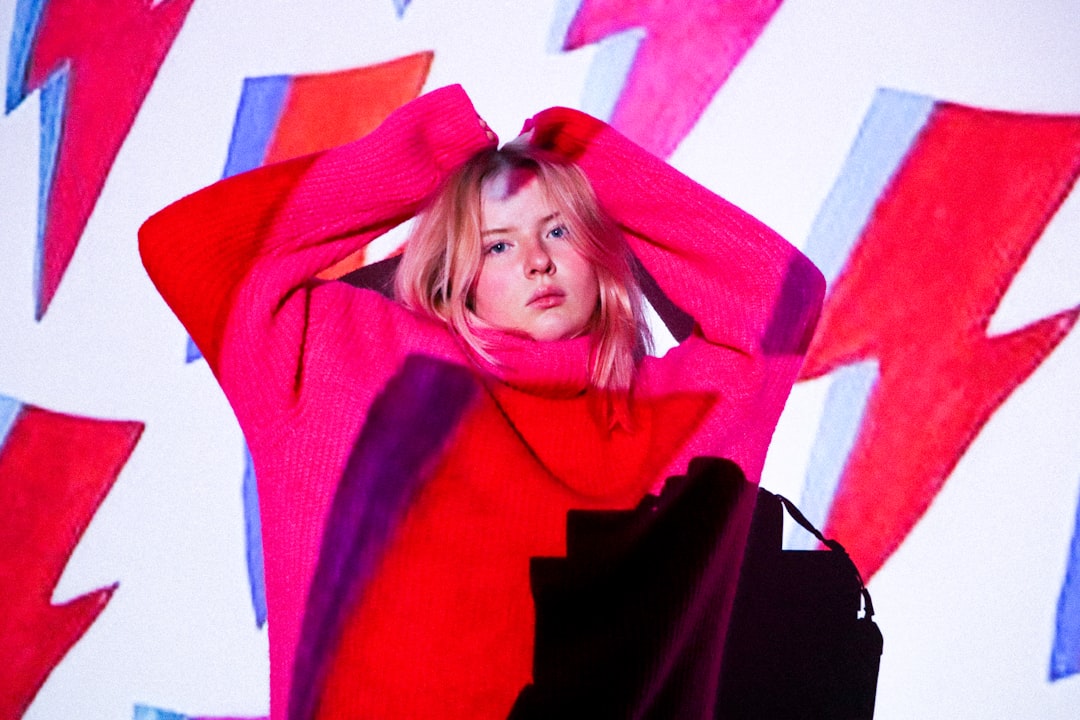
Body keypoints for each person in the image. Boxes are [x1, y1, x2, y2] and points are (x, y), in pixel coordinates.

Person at [139, 84, 824, 720]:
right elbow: (186, 250)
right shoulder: (354, 362)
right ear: (456, 273)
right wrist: (437, 149)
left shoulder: (673, 416)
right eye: (498, 244)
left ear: (599, 248)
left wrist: (571, 148)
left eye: (558, 231)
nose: (536, 260)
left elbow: (776, 293)